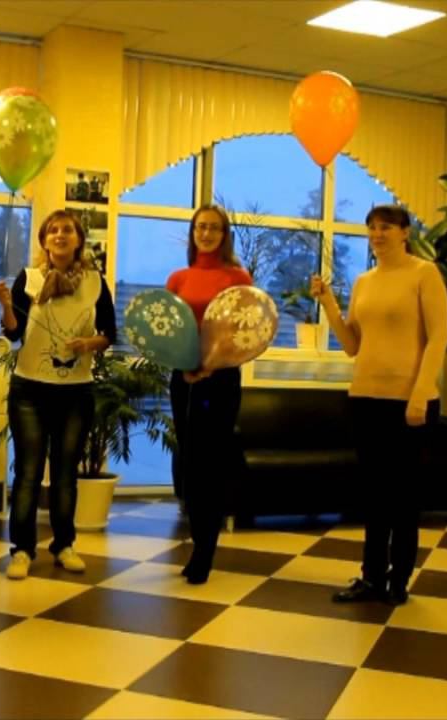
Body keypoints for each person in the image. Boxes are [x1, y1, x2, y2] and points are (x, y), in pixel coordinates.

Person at [315, 204, 447, 606]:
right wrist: (328, 304)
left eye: (386, 227)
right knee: (374, 497)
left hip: (409, 402)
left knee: (403, 498)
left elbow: (439, 338)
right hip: (366, 399)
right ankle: (372, 577)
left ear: (405, 232)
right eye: (372, 227)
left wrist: (420, 394)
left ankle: (399, 580)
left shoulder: (424, 273)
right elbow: (352, 345)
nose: (377, 234)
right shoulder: (364, 281)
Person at [0, 210, 116, 580]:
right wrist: (6, 306)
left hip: (76, 392)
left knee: (65, 475)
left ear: (78, 240)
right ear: (44, 241)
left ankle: (64, 545)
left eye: (67, 230)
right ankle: (21, 550)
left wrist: (88, 343)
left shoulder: (95, 281)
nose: (60, 235)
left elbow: (109, 333)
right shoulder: (30, 278)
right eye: (53, 231)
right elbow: (14, 334)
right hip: (29, 388)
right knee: (28, 472)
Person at [166, 204, 253, 584]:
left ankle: (205, 552)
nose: (206, 233)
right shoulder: (178, 278)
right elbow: (169, 329)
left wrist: (211, 365)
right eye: (200, 227)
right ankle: (197, 542)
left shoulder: (238, 277)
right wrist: (185, 366)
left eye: (214, 228)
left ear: (224, 234)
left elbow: (243, 331)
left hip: (220, 379)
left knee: (211, 466)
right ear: (193, 232)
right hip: (183, 378)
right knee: (189, 463)